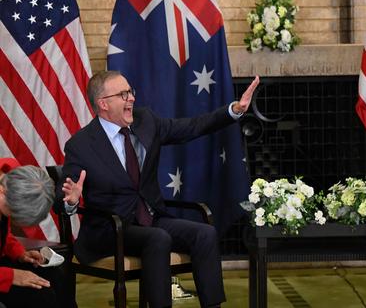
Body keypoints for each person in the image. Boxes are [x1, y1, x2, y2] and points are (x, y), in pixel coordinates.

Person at [61, 70, 260, 308]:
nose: (131, 99)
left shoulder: (146, 121)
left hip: (150, 218)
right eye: (123, 95)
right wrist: (71, 200)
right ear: (103, 104)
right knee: (158, 238)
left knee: (205, 233)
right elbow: (62, 196)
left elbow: (191, 127)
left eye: (130, 92)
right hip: (110, 229)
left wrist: (233, 111)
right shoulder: (81, 145)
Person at [0, 159, 75, 308]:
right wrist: (12, 276)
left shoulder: (15, 181)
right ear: (2, 192)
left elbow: (3, 233)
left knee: (55, 276)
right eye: (12, 213)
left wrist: (19, 253)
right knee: (38, 295)